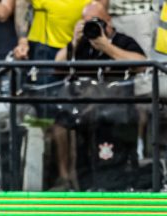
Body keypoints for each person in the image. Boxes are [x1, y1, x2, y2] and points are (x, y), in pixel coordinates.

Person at [50, 1, 146, 190]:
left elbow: (142, 63)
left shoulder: (122, 41)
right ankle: (67, 179)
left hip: (115, 111)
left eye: (96, 22)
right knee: (61, 123)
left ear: (108, 21)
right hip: (84, 110)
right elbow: (57, 65)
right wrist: (74, 41)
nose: (92, 27)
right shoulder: (82, 45)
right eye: (87, 23)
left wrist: (107, 47)